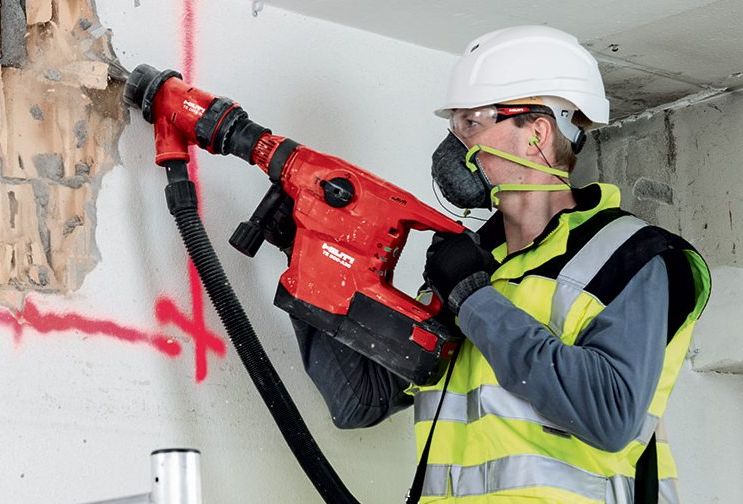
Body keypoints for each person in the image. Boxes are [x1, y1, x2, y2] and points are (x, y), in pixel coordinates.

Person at [292, 25, 710, 503]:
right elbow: (359, 400)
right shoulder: (469, 266)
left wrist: (474, 301)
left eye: (472, 123)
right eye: (454, 125)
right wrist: (310, 255)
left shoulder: (631, 257)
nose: (454, 144)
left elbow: (610, 414)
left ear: (536, 133)